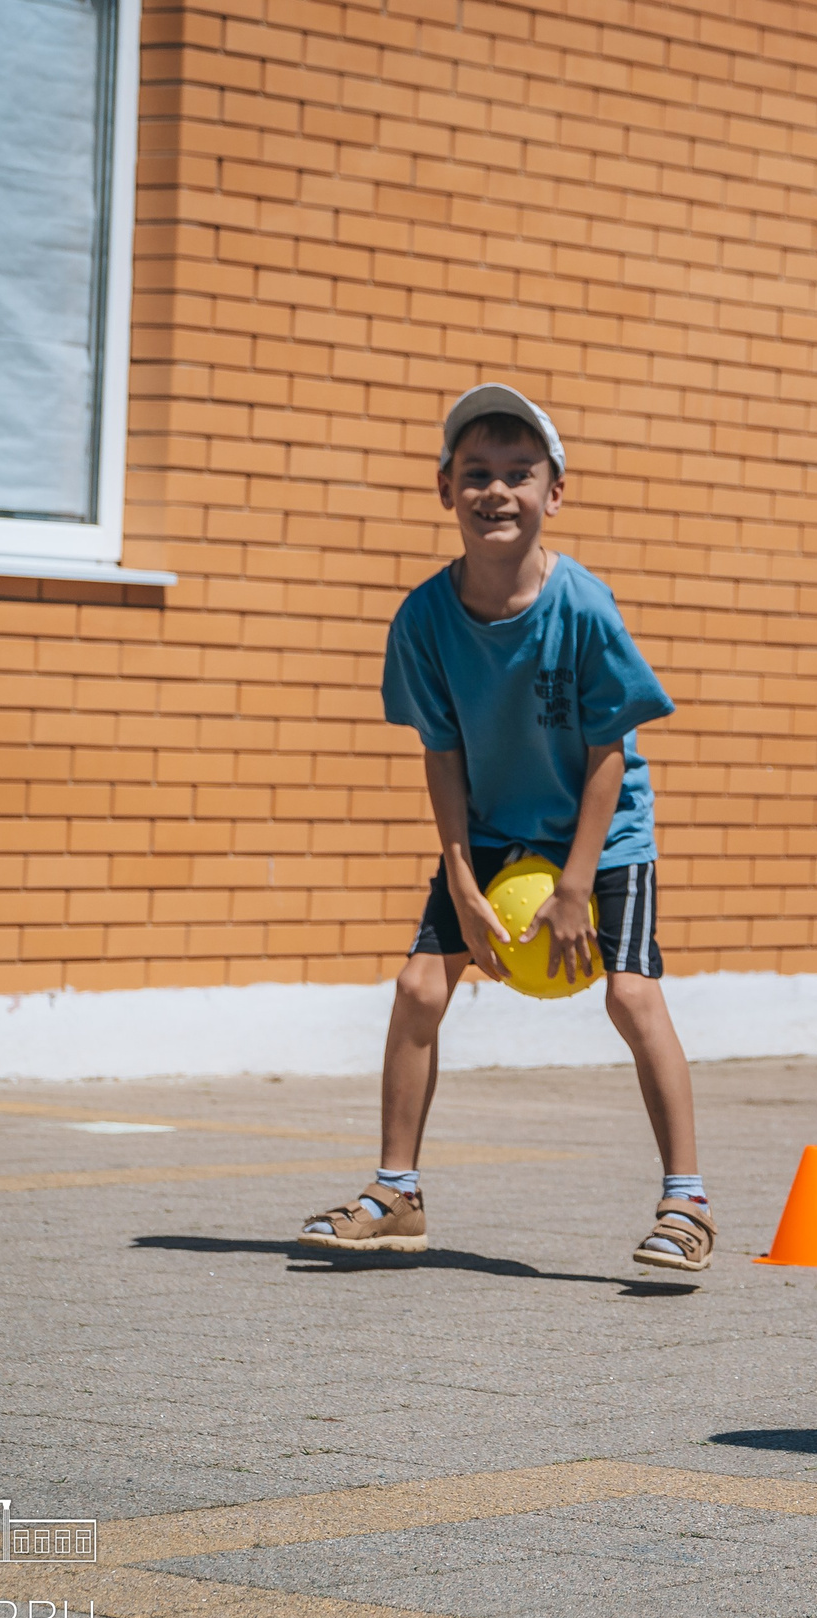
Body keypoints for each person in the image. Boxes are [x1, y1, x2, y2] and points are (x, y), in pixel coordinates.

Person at [299, 385, 715, 1273]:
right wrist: (458, 873)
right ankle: (396, 1190)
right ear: (443, 487)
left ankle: (687, 1201)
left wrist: (574, 884)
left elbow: (611, 749)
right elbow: (440, 751)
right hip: (487, 829)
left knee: (632, 996)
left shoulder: (584, 606)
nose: (497, 491)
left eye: (518, 475)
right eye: (476, 473)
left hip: (603, 833)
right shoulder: (422, 620)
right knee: (419, 990)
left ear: (553, 492)